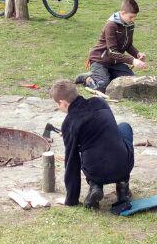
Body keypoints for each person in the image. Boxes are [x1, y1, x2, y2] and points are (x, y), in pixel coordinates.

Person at [50, 78, 134, 209]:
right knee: (124, 127)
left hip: (96, 171)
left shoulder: (69, 123)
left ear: (63, 103)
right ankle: (123, 187)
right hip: (122, 166)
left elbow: (72, 161)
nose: (58, 107)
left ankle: (95, 186)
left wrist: (71, 199)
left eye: (57, 104)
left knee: (90, 150)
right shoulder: (99, 102)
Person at [77, 0, 145, 92]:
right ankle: (87, 78)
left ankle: (105, 75)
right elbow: (112, 52)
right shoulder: (111, 25)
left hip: (115, 62)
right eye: (131, 17)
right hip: (100, 60)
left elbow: (128, 45)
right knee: (102, 87)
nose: (133, 20)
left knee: (131, 82)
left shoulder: (130, 25)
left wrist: (137, 54)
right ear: (123, 13)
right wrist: (133, 61)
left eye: (134, 17)